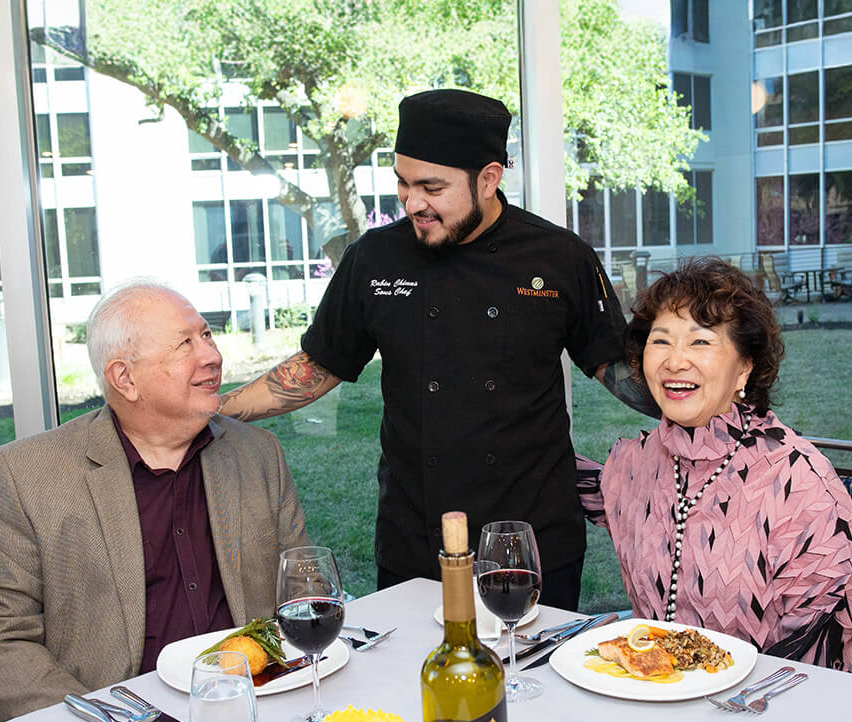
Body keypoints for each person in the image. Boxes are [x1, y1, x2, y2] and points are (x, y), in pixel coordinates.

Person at [218, 88, 655, 610]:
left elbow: (615, 367)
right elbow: (317, 366)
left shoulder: (561, 258)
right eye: (402, 183)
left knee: (531, 682)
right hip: (414, 538)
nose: (412, 202)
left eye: (432, 187)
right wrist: (209, 412)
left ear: (489, 178)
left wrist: (711, 403)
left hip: (531, 538)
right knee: (415, 683)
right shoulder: (374, 259)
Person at [0, 281, 308, 722]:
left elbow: (303, 591)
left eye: (207, 335)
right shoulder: (27, 476)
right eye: (184, 344)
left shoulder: (257, 454)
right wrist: (97, 721)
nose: (212, 356)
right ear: (125, 379)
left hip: (259, 705)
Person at [579, 257, 852, 672]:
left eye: (700, 342)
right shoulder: (633, 466)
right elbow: (568, 480)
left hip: (770, 708)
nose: (674, 361)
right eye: (660, 341)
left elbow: (812, 659)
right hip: (654, 698)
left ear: (745, 368)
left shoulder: (798, 484)